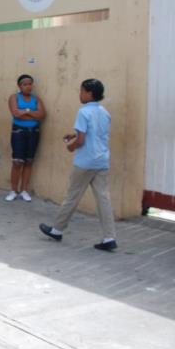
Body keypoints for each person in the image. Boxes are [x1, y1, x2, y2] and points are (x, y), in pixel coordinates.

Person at [39, 79, 116, 251]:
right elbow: (94, 134)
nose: (79, 94)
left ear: (89, 93)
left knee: (72, 196)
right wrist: (74, 135)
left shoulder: (83, 112)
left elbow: (81, 141)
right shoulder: (105, 112)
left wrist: (71, 145)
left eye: (81, 91)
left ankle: (57, 229)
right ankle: (109, 237)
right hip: (102, 161)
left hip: (85, 162)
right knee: (104, 199)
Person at [6, 74, 47, 202]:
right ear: (19, 86)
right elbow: (16, 114)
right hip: (18, 132)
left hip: (33, 132)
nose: (28, 86)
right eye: (25, 84)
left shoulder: (36, 99)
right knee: (17, 162)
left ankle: (24, 190)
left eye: (30, 84)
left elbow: (41, 115)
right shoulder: (14, 98)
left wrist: (26, 111)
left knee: (29, 161)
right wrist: (31, 113)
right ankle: (13, 190)